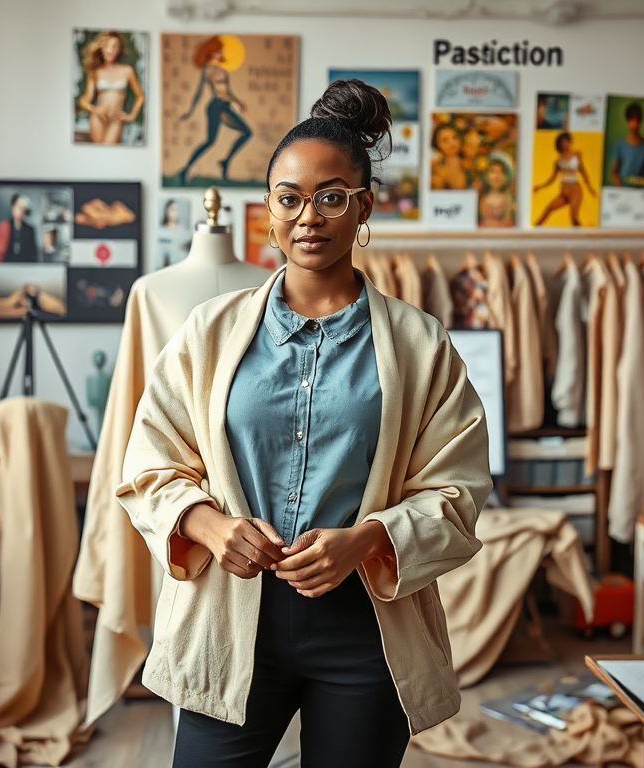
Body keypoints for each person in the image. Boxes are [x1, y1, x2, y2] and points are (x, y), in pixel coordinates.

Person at [119, 79, 492, 768]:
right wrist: (209, 525)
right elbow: (146, 464)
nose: (308, 217)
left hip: (365, 632)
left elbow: (460, 493)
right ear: (268, 210)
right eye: (289, 198)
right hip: (226, 625)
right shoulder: (210, 334)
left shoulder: (420, 346)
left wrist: (365, 540)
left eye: (331, 197)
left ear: (364, 207)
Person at [177, 36, 252, 183]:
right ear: (212, 52)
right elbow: (199, 93)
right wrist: (190, 111)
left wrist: (239, 102)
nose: (222, 53)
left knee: (247, 132)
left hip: (225, 106)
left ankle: (225, 161)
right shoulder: (207, 70)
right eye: (219, 51)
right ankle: (185, 170)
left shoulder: (223, 70)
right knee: (210, 141)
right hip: (215, 107)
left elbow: (227, 92)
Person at [77, 30, 145, 145]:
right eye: (107, 46)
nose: (110, 50)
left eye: (114, 46)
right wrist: (95, 109)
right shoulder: (95, 72)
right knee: (99, 153)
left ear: (119, 50)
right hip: (98, 117)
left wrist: (131, 116)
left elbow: (140, 96)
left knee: (110, 148)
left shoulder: (127, 71)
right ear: (101, 48)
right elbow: (84, 100)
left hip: (116, 118)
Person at [533, 132, 597, 226]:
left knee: (574, 218)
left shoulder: (576, 155)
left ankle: (584, 236)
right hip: (563, 192)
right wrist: (540, 186)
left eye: (566, 141)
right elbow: (552, 179)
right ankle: (534, 230)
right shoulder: (558, 161)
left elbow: (583, 172)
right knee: (548, 209)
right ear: (559, 144)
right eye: (562, 142)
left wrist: (589, 187)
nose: (565, 144)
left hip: (575, 190)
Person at [609, 101, 644, 188]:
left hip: (641, 194)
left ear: (640, 121)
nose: (634, 124)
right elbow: (614, 173)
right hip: (622, 191)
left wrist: (642, 191)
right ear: (626, 122)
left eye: (637, 120)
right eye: (631, 120)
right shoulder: (619, 144)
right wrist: (622, 190)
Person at [0, 194, 38, 263]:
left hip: (25, 267)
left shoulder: (30, 229)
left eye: (23, 208)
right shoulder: (3, 226)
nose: (20, 211)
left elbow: (33, 254)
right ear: (13, 207)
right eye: (18, 207)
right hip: (6, 267)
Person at [479, 154, 515, 226]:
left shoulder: (509, 198)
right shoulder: (480, 196)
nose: (497, 176)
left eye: (501, 172)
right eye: (493, 172)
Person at [430, 121, 467, 189]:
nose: (451, 142)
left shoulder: (469, 163)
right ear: (438, 146)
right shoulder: (438, 170)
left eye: (454, 137)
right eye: (445, 140)